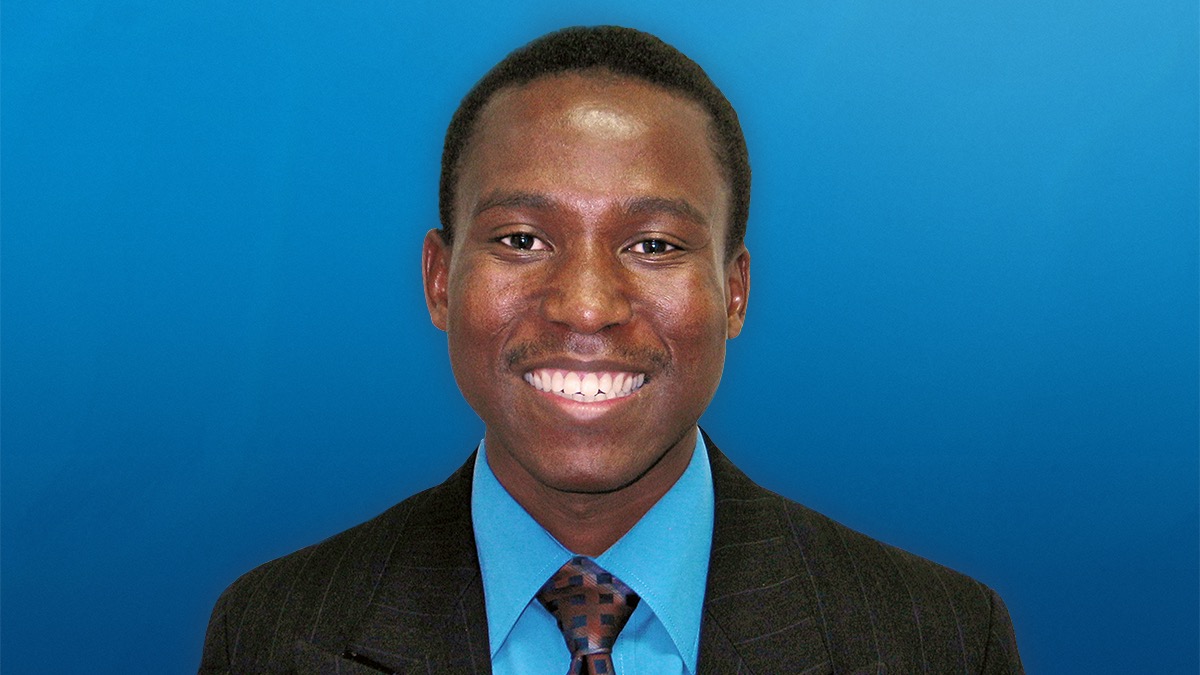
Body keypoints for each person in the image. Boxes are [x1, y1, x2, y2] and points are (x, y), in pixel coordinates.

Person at [200, 25, 1023, 674]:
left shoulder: (942, 640)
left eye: (654, 245)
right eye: (522, 239)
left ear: (735, 291)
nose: (586, 306)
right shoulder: (273, 635)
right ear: (439, 281)